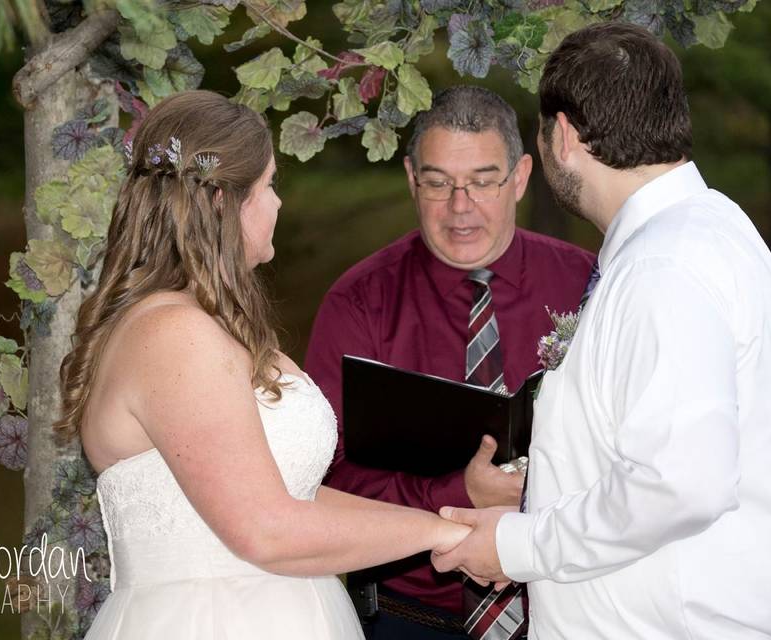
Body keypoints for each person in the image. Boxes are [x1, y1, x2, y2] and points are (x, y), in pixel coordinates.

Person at [52, 90, 472, 640]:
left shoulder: (204, 325)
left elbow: (288, 497)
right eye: (270, 184)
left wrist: (445, 523)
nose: (279, 203)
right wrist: (438, 536)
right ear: (226, 201)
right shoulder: (174, 335)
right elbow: (265, 530)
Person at [432, 23, 771, 640]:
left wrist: (522, 546)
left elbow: (682, 484)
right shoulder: (707, 229)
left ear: (563, 135)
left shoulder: (664, 267)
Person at [304, 86, 595, 639]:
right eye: (438, 183)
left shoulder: (588, 286)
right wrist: (459, 495)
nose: (460, 207)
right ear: (413, 179)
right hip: (411, 618)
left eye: (483, 181)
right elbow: (323, 485)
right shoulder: (359, 303)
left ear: (521, 176)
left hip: (570, 610)